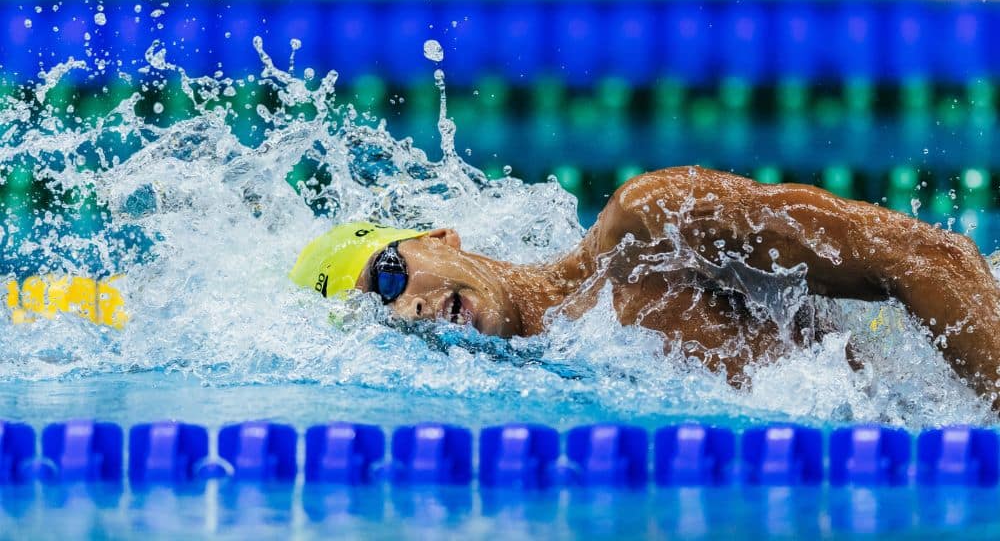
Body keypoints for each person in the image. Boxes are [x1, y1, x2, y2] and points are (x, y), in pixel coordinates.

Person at [290, 166, 1000, 404]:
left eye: (388, 273)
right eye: (380, 312)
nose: (405, 308)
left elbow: (931, 259)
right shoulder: (536, 388)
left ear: (442, 239)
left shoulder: (646, 230)